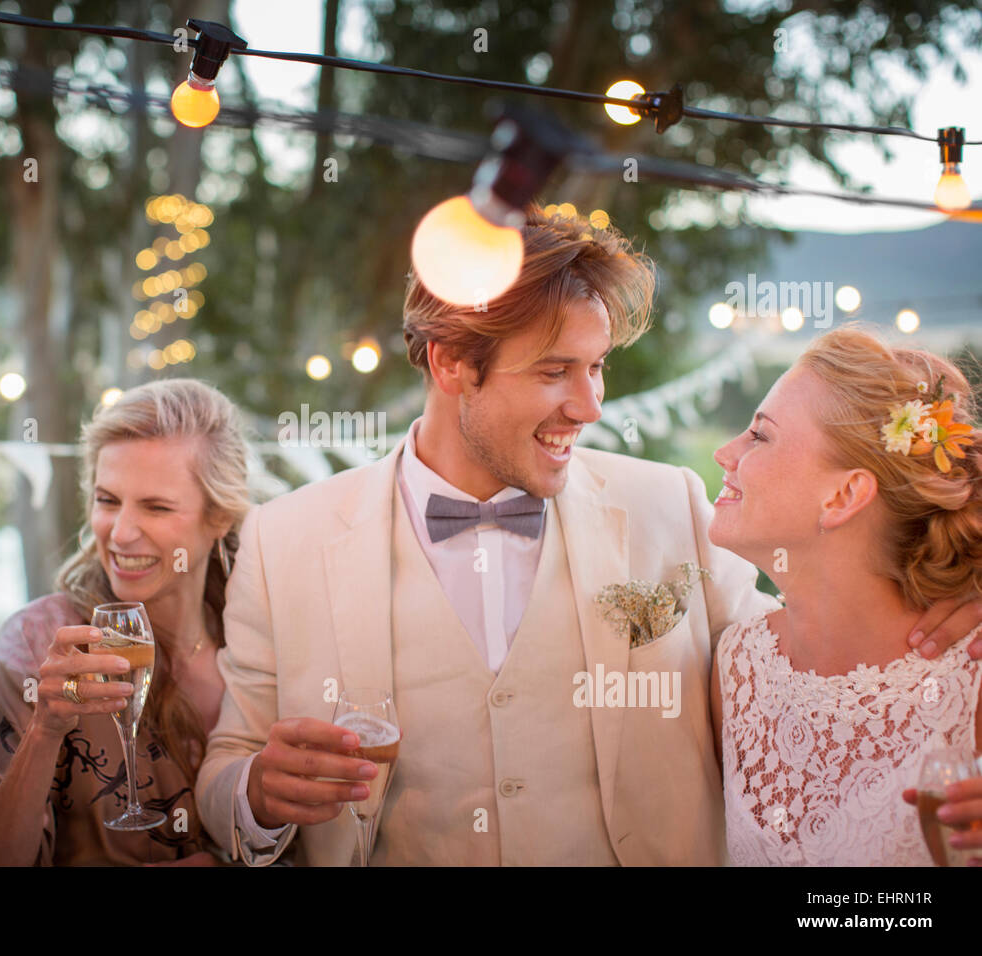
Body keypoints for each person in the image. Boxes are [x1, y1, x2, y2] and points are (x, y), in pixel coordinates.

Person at [195, 210, 982, 866]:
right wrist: (260, 794)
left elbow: (821, 648)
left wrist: (961, 578)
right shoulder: (283, 539)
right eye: (554, 372)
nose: (590, 405)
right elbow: (225, 769)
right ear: (450, 363)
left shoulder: (669, 504)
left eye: (598, 367)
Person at [0, 378, 249, 865]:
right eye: (107, 500)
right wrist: (44, 729)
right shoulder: (37, 643)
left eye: (156, 507)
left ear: (220, 516)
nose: (120, 533)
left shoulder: (260, 639)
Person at [710, 326, 982, 865]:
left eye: (759, 436)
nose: (724, 452)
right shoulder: (735, 668)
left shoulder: (970, 681)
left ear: (844, 495)